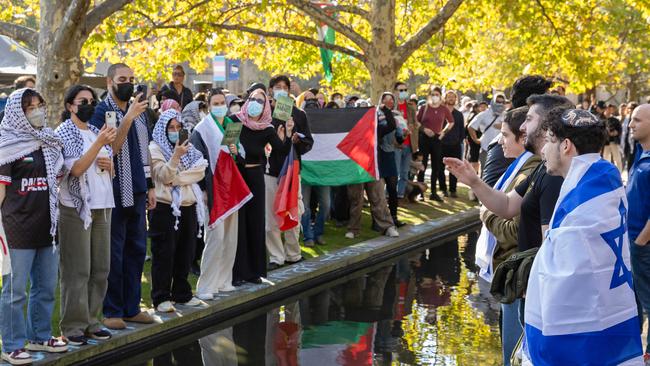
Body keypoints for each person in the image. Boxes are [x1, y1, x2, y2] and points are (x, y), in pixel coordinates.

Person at [522, 108, 642, 364]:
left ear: (565, 146)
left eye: (549, 141)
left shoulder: (580, 198)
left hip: (582, 335)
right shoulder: (606, 177)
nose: (543, 150)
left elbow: (566, 278)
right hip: (615, 307)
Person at [0, 88, 68, 365]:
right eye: (31, 107)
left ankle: (40, 335)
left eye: (40, 104)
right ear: (18, 112)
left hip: (48, 228)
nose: (38, 110)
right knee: (15, 292)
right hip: (17, 229)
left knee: (46, 287)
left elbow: (60, 175)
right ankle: (13, 344)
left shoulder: (48, 141)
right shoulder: (6, 144)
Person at [90, 63, 156, 330]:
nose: (128, 83)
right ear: (109, 82)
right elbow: (109, 151)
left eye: (131, 78)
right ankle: (112, 310)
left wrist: (150, 185)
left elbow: (144, 151)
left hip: (138, 190)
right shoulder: (100, 112)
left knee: (137, 251)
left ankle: (132, 307)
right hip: (113, 192)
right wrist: (127, 117)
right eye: (122, 79)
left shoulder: (140, 112)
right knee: (113, 254)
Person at [476, 107, 540, 366]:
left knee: (514, 353)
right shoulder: (519, 165)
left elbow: (514, 230)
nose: (499, 140)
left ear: (523, 136)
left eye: (504, 135)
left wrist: (487, 214)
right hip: (511, 272)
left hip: (518, 275)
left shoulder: (531, 169)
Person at [56, 85, 116, 346]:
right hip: (75, 207)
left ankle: (92, 320)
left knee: (100, 268)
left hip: (103, 205)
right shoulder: (64, 132)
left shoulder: (95, 131)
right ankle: (73, 326)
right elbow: (77, 169)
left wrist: (109, 164)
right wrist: (100, 146)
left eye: (92, 100)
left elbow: (105, 169)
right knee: (77, 269)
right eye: (83, 101)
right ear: (71, 106)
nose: (89, 105)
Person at [148, 109, 207, 313]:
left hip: (188, 205)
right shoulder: (155, 148)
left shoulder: (187, 147)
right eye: (171, 128)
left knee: (186, 252)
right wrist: (175, 158)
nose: (175, 131)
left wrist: (178, 179)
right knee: (164, 253)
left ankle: (182, 293)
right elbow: (163, 175)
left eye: (178, 127)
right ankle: (161, 296)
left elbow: (200, 169)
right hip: (165, 207)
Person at [232, 88, 291, 285]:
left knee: (256, 222)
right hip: (237, 176)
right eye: (252, 99)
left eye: (260, 100)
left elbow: (281, 150)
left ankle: (254, 272)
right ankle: (237, 272)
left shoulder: (267, 129)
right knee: (239, 223)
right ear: (246, 101)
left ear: (265, 106)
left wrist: (287, 134)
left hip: (256, 176)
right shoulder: (234, 121)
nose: (255, 103)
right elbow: (226, 149)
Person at [192, 89, 247, 299]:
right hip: (213, 189)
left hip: (231, 187)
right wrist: (204, 189)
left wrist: (235, 151)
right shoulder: (202, 129)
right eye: (215, 102)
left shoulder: (231, 126)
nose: (219, 106)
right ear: (208, 105)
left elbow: (239, 157)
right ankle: (206, 285)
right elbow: (199, 159)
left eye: (222, 102)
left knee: (231, 238)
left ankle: (224, 280)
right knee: (215, 237)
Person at [267, 75, 313, 267]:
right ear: (271, 91)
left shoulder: (299, 114)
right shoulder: (265, 114)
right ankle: (275, 257)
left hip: (293, 170)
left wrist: (297, 139)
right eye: (278, 87)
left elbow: (308, 142)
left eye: (285, 87)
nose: (282, 90)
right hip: (270, 171)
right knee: (271, 215)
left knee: (294, 211)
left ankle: (293, 254)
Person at [345, 101, 400, 239]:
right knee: (356, 200)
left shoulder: (377, 128)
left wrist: (386, 110)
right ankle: (353, 229)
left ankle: (388, 227)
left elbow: (392, 125)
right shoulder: (350, 128)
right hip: (356, 169)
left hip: (374, 168)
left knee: (379, 198)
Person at [626, 104, 650, 361]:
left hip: (643, 244)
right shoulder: (640, 154)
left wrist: (641, 241)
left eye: (637, 120)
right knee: (633, 304)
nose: (631, 125)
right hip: (634, 242)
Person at [416, 86, 454, 201]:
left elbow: (451, 122)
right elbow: (416, 121)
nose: (435, 97)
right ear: (429, 95)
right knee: (422, 165)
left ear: (440, 96)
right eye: (433, 94)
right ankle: (420, 192)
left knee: (436, 166)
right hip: (424, 138)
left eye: (437, 94)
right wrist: (424, 129)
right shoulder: (424, 107)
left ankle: (433, 192)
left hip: (437, 140)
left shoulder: (443, 109)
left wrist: (443, 133)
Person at [376, 92, 405, 227]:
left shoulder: (397, 117)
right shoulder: (375, 116)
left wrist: (403, 135)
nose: (389, 102)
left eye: (391, 100)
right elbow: (387, 128)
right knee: (378, 191)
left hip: (390, 154)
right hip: (378, 155)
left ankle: (394, 217)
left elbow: (398, 137)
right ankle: (378, 219)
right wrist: (386, 111)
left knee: (392, 187)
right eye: (386, 100)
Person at [468, 93, 506, 175]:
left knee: (499, 173)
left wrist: (503, 126)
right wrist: (475, 140)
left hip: (502, 149)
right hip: (486, 148)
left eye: (502, 102)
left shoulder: (506, 115)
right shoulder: (484, 114)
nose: (500, 104)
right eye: (498, 102)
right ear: (493, 102)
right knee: (485, 172)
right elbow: (471, 127)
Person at [394, 82, 418, 198]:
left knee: (404, 173)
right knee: (395, 172)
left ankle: (400, 194)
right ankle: (390, 194)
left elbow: (415, 122)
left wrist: (413, 125)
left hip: (409, 144)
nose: (403, 92)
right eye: (400, 90)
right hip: (396, 144)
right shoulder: (392, 107)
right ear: (395, 92)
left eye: (405, 90)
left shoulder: (410, 107)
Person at [439, 91, 465, 198]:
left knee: (454, 168)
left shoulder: (459, 114)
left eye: (453, 97)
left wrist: (460, 140)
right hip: (441, 144)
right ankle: (443, 189)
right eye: (449, 97)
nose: (451, 99)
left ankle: (453, 190)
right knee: (440, 168)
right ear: (445, 98)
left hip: (455, 145)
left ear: (456, 99)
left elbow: (462, 130)